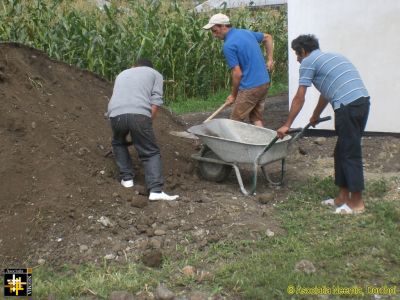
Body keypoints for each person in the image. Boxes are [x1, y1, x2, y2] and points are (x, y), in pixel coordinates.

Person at [277, 34, 370, 214]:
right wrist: (315, 115)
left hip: (348, 107)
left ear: (303, 51)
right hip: (361, 103)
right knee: (342, 150)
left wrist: (286, 124)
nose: (297, 59)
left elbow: (299, 97)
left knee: (350, 152)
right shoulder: (333, 57)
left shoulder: (308, 61)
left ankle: (356, 204)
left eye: (297, 54)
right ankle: (343, 197)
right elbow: (327, 92)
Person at [107, 59, 179, 201]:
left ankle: (127, 180)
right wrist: (144, 126)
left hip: (114, 114)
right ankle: (156, 191)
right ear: (149, 67)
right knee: (150, 151)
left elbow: (117, 97)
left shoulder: (122, 74)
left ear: (134, 66)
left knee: (118, 143)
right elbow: (156, 101)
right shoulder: (155, 74)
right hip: (139, 114)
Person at [203, 13, 274, 127]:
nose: (214, 35)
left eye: (215, 30)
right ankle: (264, 143)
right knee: (256, 118)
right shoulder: (245, 32)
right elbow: (268, 37)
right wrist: (270, 59)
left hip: (250, 87)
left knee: (234, 123)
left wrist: (233, 95)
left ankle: (232, 145)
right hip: (264, 82)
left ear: (223, 26)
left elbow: (237, 73)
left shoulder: (228, 45)